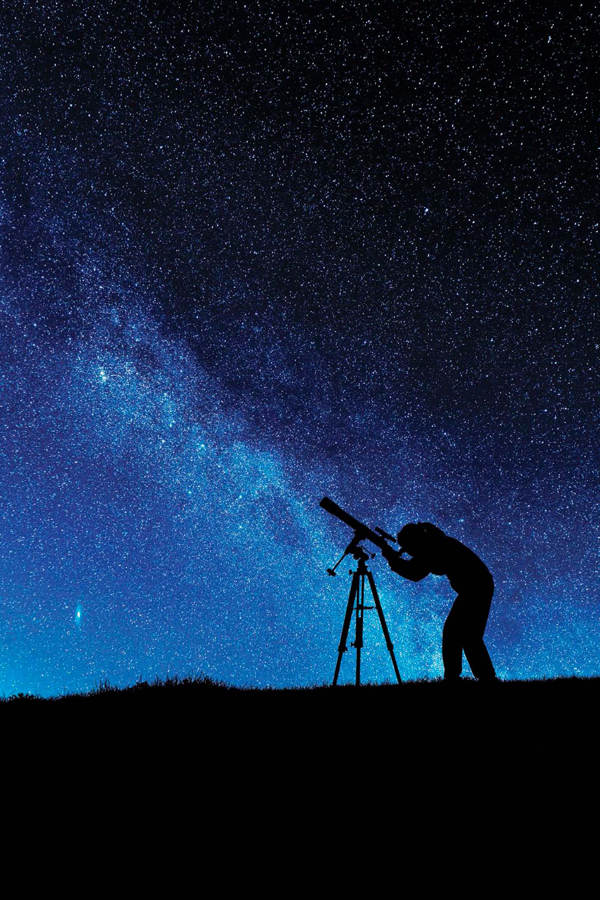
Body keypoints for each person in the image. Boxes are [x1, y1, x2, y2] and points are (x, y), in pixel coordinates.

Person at [381, 522, 497, 682]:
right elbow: (417, 565)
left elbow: (415, 573)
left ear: (414, 541)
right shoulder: (434, 541)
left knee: (459, 634)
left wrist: (392, 559)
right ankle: (481, 677)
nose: (407, 552)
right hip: (477, 586)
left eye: (407, 547)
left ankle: (464, 677)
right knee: (466, 635)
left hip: (475, 587)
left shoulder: (431, 546)